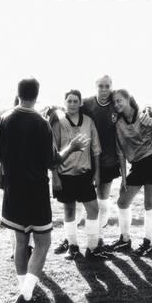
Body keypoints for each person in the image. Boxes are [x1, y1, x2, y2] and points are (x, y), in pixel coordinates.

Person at [0, 78, 89, 303]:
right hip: (35, 192)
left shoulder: (4, 119)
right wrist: (72, 148)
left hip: (12, 192)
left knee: (22, 243)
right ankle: (25, 295)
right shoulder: (41, 123)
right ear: (36, 95)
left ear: (18, 93)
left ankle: (24, 292)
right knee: (43, 242)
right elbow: (52, 162)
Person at [110, 89, 152, 256]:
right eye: (114, 102)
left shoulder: (144, 115)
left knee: (149, 203)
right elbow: (121, 152)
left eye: (119, 100)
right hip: (136, 165)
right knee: (122, 202)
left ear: (129, 99)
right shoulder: (118, 124)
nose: (117, 104)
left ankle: (148, 243)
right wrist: (123, 177)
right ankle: (124, 240)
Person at [51, 90, 108, 260]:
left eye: (76, 101)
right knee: (69, 210)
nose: (73, 104)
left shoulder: (89, 122)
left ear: (81, 103)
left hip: (84, 173)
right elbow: (52, 153)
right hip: (64, 174)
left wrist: (97, 173)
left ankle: (92, 247)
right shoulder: (58, 123)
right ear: (64, 102)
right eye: (69, 101)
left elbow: (96, 149)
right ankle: (73, 246)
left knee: (93, 209)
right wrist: (55, 176)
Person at [0, 96, 33, 259]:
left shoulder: (8, 115)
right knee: (22, 211)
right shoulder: (6, 114)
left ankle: (23, 248)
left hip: (15, 171)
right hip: (15, 171)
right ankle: (20, 248)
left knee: (17, 211)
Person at [81, 75, 120, 245]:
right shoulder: (87, 103)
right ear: (95, 86)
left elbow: (132, 108)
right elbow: (69, 111)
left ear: (112, 86)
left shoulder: (115, 103)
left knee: (103, 198)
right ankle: (75, 238)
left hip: (109, 159)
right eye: (101, 86)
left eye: (107, 86)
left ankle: (99, 235)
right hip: (87, 158)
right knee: (84, 199)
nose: (104, 90)